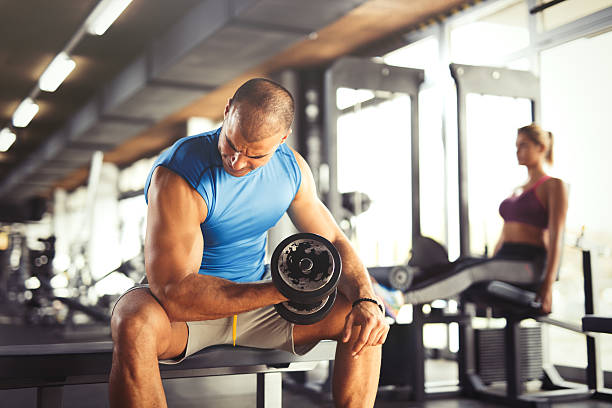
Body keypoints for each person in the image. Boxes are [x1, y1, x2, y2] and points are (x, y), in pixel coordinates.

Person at [108, 78, 389, 408]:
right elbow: (175, 294)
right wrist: (284, 289)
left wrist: (366, 299)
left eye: (254, 155)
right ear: (227, 112)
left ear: (282, 140)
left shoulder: (291, 169)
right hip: (190, 316)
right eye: (231, 144)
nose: (237, 161)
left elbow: (334, 240)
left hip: (259, 307)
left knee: (364, 318)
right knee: (132, 320)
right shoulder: (180, 175)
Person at [403, 123, 568, 314]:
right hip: (506, 255)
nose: (518, 151)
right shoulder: (518, 190)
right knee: (463, 263)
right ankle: (400, 284)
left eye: (524, 145)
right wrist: (490, 262)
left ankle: (401, 299)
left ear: (541, 148)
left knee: (470, 271)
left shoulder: (553, 185)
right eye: (516, 146)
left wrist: (548, 286)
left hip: (529, 262)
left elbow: (556, 235)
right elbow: (505, 233)